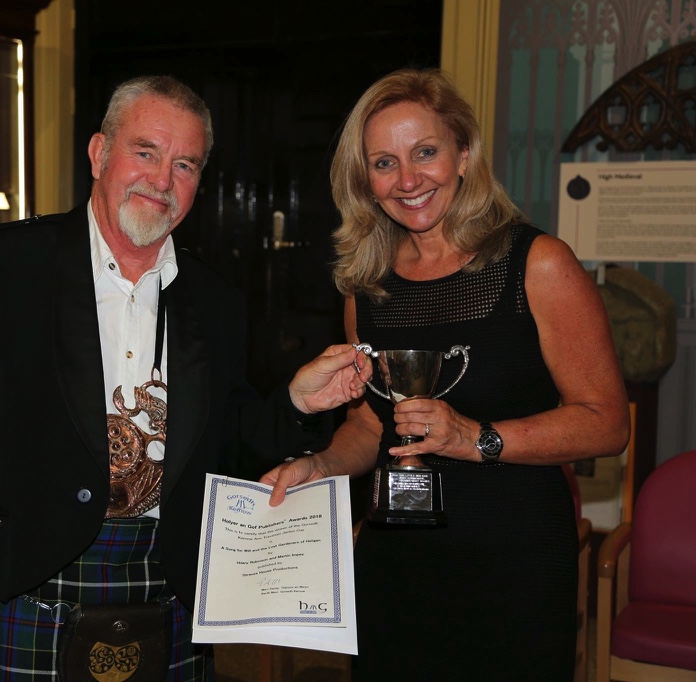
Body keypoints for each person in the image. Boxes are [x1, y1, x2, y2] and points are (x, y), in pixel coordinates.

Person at [0, 75, 370, 681]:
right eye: (145, 152)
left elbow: (226, 440)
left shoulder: (215, 298)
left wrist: (295, 399)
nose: (162, 180)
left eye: (184, 165)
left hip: (167, 581)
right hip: (28, 577)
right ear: (100, 154)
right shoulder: (3, 265)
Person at [260, 68, 630, 681]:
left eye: (425, 152)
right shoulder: (366, 286)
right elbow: (372, 424)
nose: (408, 180)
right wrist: (319, 465)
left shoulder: (537, 264)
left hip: (514, 564)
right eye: (384, 162)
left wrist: (473, 438)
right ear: (364, 180)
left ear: (464, 154)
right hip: (396, 565)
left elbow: (606, 424)